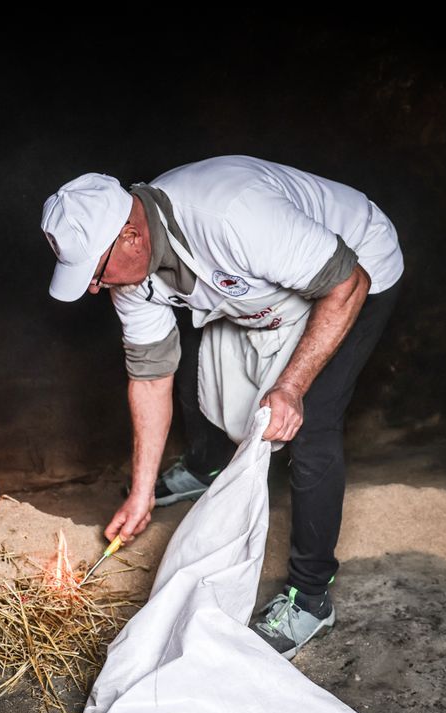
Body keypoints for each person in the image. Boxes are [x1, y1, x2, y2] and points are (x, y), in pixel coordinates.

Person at [41, 155, 403, 659]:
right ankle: (206, 464)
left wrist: (292, 386)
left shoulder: (232, 216)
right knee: (197, 376)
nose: (94, 286)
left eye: (95, 272)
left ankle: (311, 597)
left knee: (310, 423)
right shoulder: (128, 273)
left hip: (353, 271)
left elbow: (349, 283)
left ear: (131, 235)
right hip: (261, 291)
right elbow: (151, 377)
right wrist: (141, 493)